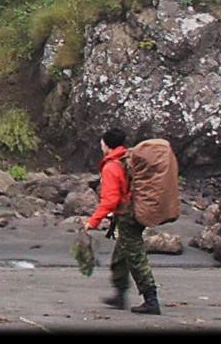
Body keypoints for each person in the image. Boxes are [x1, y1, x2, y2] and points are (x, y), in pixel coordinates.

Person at [86, 127, 161, 315]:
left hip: (128, 216)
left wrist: (93, 221)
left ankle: (151, 299)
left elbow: (110, 200)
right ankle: (119, 295)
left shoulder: (112, 166)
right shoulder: (126, 158)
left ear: (106, 144)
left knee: (135, 256)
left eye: (102, 142)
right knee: (121, 255)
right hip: (134, 211)